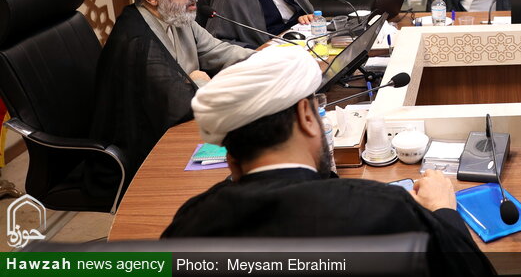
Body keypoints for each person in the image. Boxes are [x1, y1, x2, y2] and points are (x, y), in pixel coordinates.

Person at [162, 46, 494, 277]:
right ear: (307, 117)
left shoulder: (187, 226)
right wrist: (443, 212)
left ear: (231, 160)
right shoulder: (386, 210)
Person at [91, 0, 254, 185]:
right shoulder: (137, 41)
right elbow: (178, 106)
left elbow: (220, 51)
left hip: (186, 128)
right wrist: (199, 81)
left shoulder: (176, 15)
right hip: (146, 154)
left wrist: (276, 59)